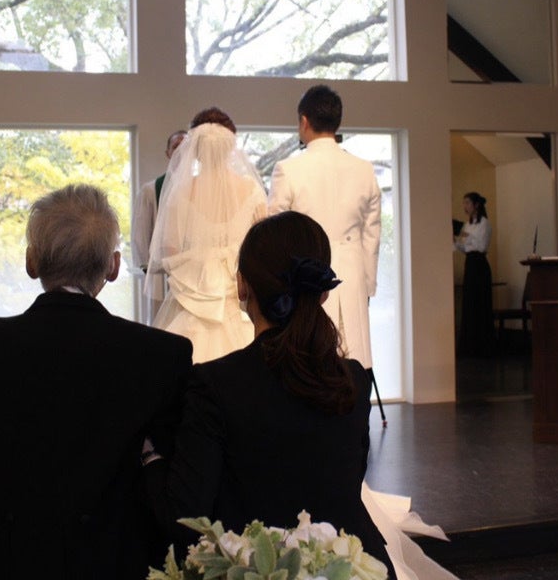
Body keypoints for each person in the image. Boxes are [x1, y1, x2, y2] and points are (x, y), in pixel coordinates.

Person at [0, 184, 192, 580]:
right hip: (120, 563)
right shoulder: (163, 357)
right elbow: (168, 484)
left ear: (31, 261)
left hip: (5, 563)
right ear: (114, 266)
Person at [145, 211, 394, 577]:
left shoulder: (215, 385)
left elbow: (184, 517)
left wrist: (150, 457)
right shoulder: (353, 379)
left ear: (242, 286)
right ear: (324, 291)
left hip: (256, 569)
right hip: (347, 569)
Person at [268, 84, 381, 371]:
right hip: (353, 275)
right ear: (336, 122)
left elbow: (276, 234)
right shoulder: (364, 169)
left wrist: (280, 287)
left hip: (306, 278)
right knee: (353, 363)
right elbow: (372, 234)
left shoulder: (288, 169)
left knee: (309, 363)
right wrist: (367, 285)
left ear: (304, 121)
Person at [146, 107, 267, 363]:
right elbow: (263, 247)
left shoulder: (180, 193)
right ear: (230, 146)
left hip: (193, 292)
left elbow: (170, 250)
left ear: (195, 148)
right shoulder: (252, 190)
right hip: (239, 291)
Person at [131, 129, 188, 325]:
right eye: (176, 146)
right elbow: (140, 234)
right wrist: (148, 267)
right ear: (168, 153)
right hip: (161, 276)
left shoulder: (202, 189)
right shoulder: (150, 190)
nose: (180, 151)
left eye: (186, 147)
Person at [454, 191, 495, 359]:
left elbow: (482, 245)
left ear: (476, 205)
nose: (465, 206)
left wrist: (466, 236)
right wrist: (456, 242)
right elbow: (465, 248)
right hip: (470, 264)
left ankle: (483, 348)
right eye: (464, 203)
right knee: (469, 304)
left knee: (480, 304)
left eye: (467, 203)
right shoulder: (467, 224)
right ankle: (469, 348)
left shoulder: (485, 223)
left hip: (480, 265)